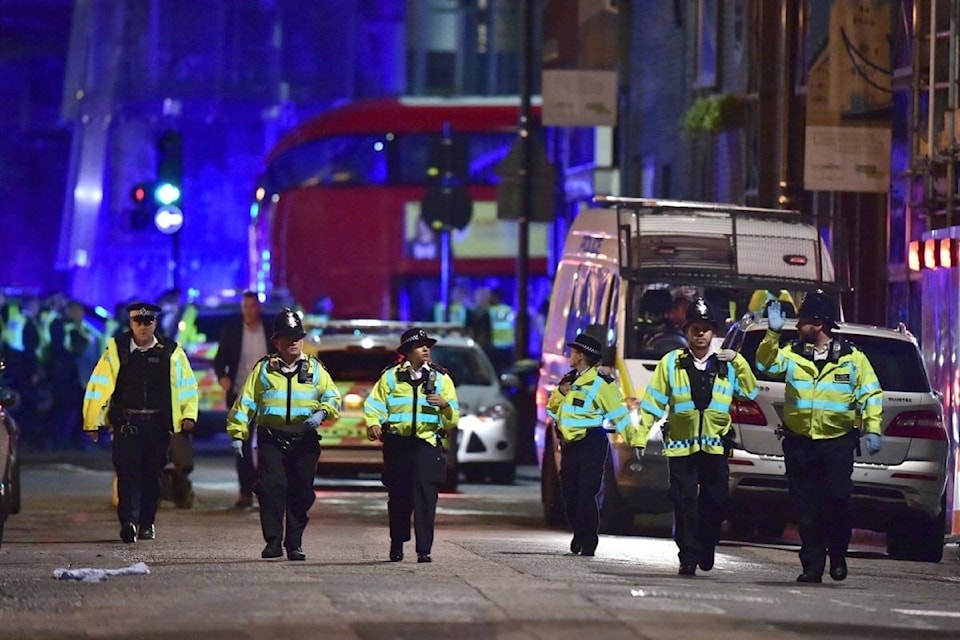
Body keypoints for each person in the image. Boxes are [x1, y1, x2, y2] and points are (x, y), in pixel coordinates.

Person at [628, 298, 758, 576]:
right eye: (695, 329)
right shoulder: (671, 363)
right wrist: (640, 435)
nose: (700, 334)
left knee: (716, 501)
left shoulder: (728, 364)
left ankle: (708, 543)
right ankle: (687, 556)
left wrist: (739, 361)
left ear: (713, 333)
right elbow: (653, 403)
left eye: (706, 329)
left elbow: (750, 392)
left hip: (714, 447)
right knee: (683, 502)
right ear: (686, 332)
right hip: (680, 447)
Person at [760, 290, 883, 583]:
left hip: (837, 443)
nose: (797, 326)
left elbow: (870, 394)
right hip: (800, 442)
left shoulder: (852, 358)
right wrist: (771, 336)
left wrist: (873, 428)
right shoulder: (791, 353)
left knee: (838, 500)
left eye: (802, 320)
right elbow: (766, 365)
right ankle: (812, 565)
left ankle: (838, 554)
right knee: (807, 507)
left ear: (818, 323)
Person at [226, 308, 341, 561]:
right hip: (272, 438)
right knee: (271, 487)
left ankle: (295, 543)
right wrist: (238, 433)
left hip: (304, 440)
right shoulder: (264, 370)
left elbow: (333, 396)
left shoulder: (315, 369)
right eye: (288, 337)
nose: (294, 342)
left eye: (298, 337)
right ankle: (274, 541)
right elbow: (246, 402)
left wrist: (323, 412)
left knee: (301, 491)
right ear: (276, 341)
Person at [81, 301, 199, 543]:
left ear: (155, 323)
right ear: (131, 323)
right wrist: (92, 422)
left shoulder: (171, 351)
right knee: (126, 474)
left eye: (148, 321)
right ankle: (128, 522)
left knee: (152, 476)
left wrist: (188, 415)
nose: (143, 327)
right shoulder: (117, 349)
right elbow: (99, 387)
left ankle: (147, 523)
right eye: (138, 321)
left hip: (157, 424)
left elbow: (187, 386)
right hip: (127, 423)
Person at [363, 327, 459, 563]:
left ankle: (424, 549)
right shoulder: (390, 377)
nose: (426, 349)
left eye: (428, 345)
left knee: (426, 496)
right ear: (407, 351)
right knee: (399, 496)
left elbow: (453, 418)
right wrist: (374, 423)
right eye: (420, 345)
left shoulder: (441, 378)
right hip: (397, 444)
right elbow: (375, 404)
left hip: (427, 444)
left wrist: (445, 405)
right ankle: (397, 542)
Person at [546, 333, 634, 557]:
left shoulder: (601, 384)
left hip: (592, 442)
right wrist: (559, 392)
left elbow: (619, 413)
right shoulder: (568, 381)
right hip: (569, 445)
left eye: (574, 352)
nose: (570, 355)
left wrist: (635, 439)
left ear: (581, 355)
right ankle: (579, 532)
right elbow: (552, 409)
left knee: (586, 493)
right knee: (570, 494)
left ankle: (588, 541)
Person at [214, 291, 270, 508]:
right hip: (240, 395)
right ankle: (245, 492)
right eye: (245, 307)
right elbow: (220, 360)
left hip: (267, 397)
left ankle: (264, 488)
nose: (249, 311)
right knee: (242, 444)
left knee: (268, 445)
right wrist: (223, 378)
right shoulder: (233, 330)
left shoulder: (270, 330)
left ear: (259, 308)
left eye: (253, 306)